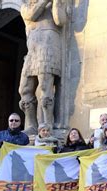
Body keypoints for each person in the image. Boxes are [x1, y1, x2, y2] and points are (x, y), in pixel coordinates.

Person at [18, 0, 68, 133]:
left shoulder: (52, 5)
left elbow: (60, 21)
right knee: (24, 90)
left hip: (48, 47)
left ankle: (47, 124)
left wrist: (57, 4)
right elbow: (31, 15)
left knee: (46, 87)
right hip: (32, 51)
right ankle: (31, 125)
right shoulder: (26, 6)